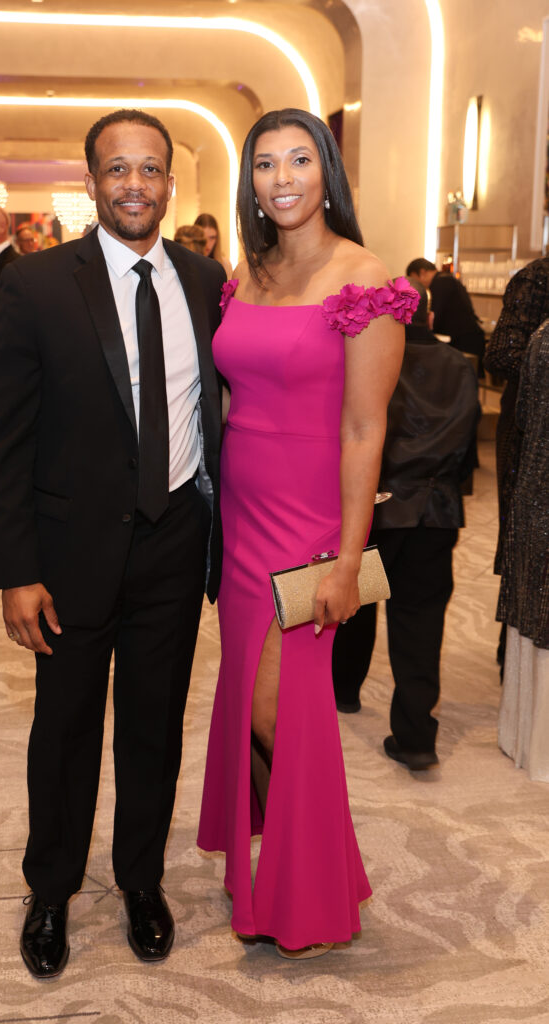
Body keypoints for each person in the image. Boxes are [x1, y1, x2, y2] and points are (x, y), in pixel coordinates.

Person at [0, 108, 225, 978]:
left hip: (172, 544)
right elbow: (0, 442)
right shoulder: (38, 285)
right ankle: (50, 891)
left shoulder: (204, 279)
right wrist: (16, 572)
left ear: (168, 182)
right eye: (116, 169)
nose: (133, 184)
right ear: (91, 182)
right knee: (66, 729)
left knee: (153, 728)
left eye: (149, 169)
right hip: (70, 555)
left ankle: (141, 880)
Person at [197, 108, 416, 958]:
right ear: (247, 180)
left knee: (276, 711)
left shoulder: (364, 279)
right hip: (241, 515)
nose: (281, 177)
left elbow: (366, 431)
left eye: (298, 159)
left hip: (310, 523)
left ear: (326, 170)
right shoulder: (244, 274)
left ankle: (316, 882)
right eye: (263, 163)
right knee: (251, 703)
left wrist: (348, 560)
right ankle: (285, 879)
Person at [332, 281, 480, 770]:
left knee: (357, 602)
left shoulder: (372, 359)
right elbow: (466, 447)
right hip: (435, 511)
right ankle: (416, 736)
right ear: (431, 319)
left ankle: (345, 691)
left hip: (378, 505)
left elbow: (356, 429)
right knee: (421, 621)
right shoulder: (460, 366)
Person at [496, 320, 549, 779]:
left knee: (535, 608)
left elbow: (523, 415)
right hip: (539, 489)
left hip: (535, 483)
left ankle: (524, 736)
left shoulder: (542, 335)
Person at [406, 257, 485, 363]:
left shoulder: (441, 283)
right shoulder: (446, 279)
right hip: (468, 340)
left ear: (422, 272)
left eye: (414, 279)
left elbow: (436, 318)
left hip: (465, 343)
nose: (416, 285)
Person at [194, 212, 233, 277]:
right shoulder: (189, 263)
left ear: (217, 238)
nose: (207, 243)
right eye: (203, 237)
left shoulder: (225, 265)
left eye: (212, 238)